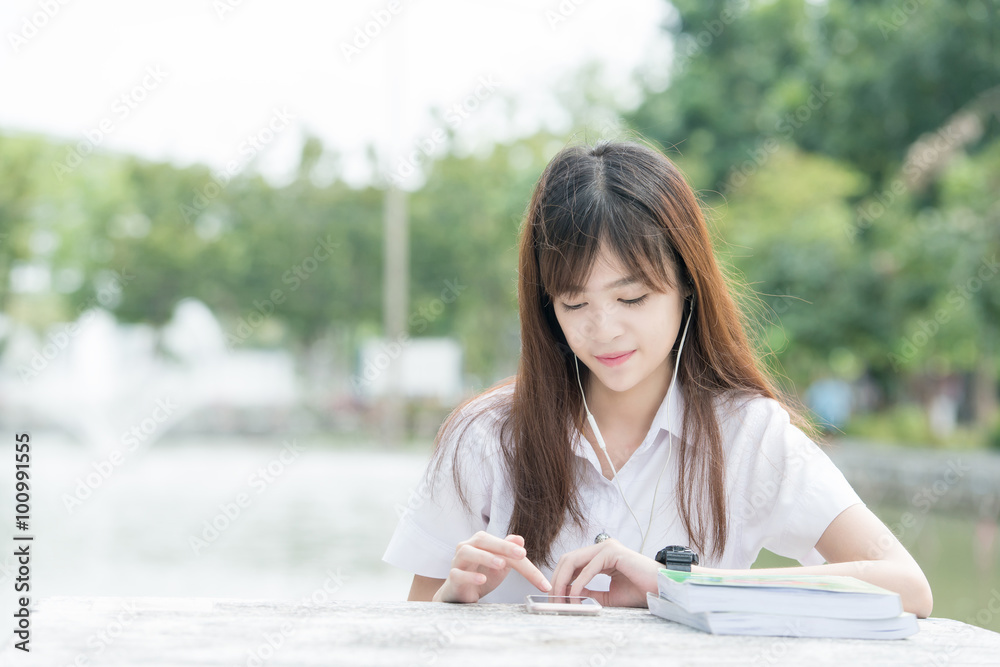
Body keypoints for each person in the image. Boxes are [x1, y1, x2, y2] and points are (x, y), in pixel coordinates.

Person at [381, 139, 933, 617]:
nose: (604, 330)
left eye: (632, 297)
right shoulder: (485, 437)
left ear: (687, 284)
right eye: (575, 304)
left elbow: (907, 587)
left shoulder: (747, 435)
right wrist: (453, 600)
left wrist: (677, 582)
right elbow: (415, 623)